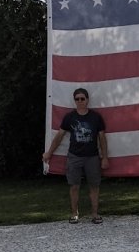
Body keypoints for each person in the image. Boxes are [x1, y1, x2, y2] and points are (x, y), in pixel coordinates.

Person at [42, 88, 109, 223]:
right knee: (74, 186)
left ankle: (95, 214)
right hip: (74, 157)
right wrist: (49, 152)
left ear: (87, 100)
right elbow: (60, 136)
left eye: (82, 99)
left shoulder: (96, 117)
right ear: (74, 101)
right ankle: (74, 214)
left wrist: (105, 157)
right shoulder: (69, 117)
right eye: (77, 99)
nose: (79, 101)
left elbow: (102, 138)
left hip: (92, 157)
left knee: (94, 186)